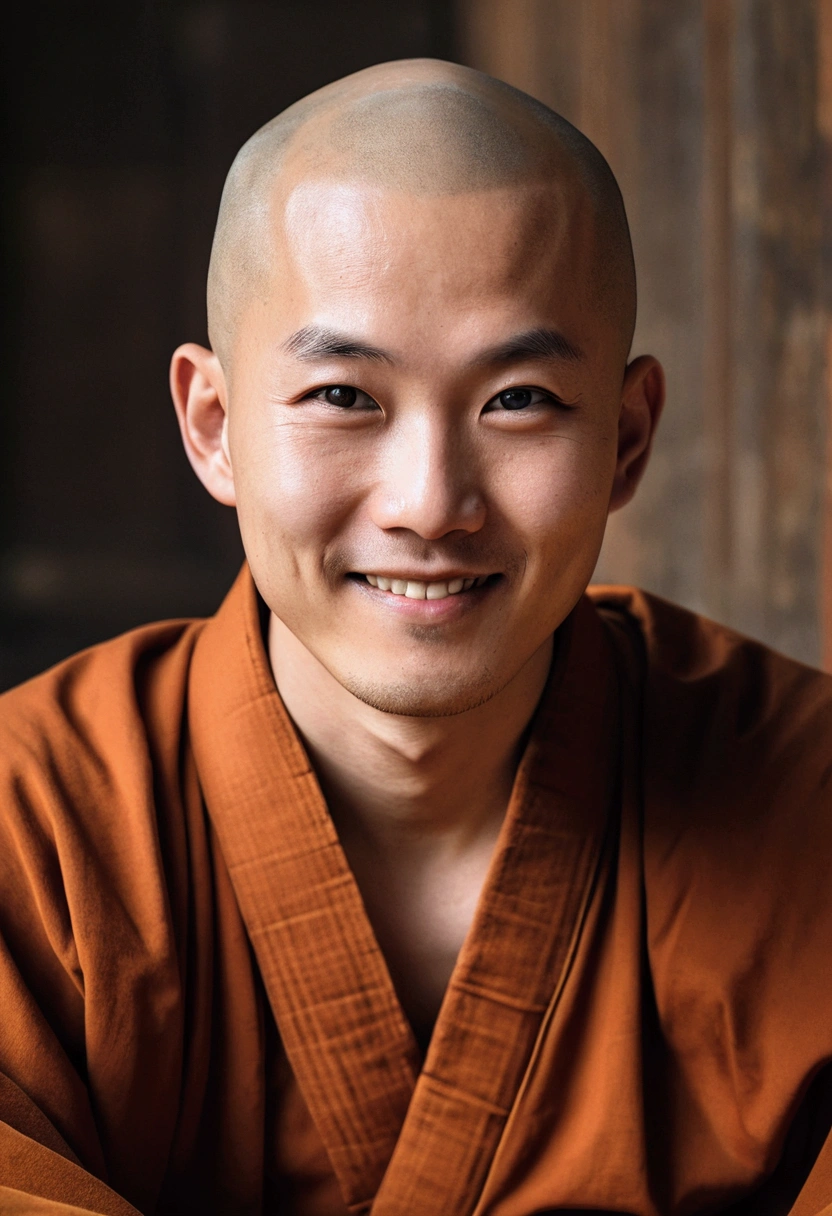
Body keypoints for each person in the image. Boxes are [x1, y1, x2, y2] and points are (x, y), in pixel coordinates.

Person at [0, 57, 830, 1216]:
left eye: (519, 399)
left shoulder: (805, 793)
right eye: (344, 396)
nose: (431, 503)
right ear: (215, 425)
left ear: (628, 439)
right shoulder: (32, 819)